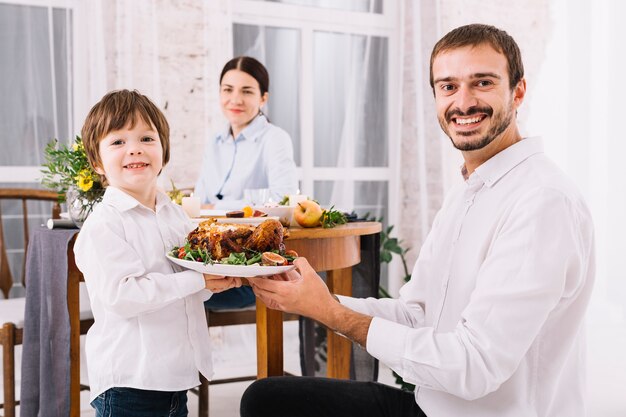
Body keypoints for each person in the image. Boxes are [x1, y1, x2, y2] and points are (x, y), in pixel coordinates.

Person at [242, 24, 595, 417]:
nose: (463, 102)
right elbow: (416, 314)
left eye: (482, 82)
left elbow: (474, 367)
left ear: (518, 91)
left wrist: (330, 313)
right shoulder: (470, 189)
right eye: (448, 86)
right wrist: (316, 299)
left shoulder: (542, 201)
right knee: (265, 399)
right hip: (431, 406)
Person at [74, 89, 243, 417]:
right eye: (118, 142)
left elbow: (185, 285)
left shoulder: (175, 215)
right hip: (129, 381)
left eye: (146, 138)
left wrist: (213, 282)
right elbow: (124, 295)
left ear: (164, 152)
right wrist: (197, 280)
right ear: (96, 162)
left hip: (173, 377)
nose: (134, 148)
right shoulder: (103, 225)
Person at [196, 56, 298, 310]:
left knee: (178, 293)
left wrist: (214, 209)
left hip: (249, 268)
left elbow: (282, 199)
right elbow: (199, 202)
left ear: (263, 98)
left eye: (247, 91)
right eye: (228, 90)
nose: (235, 99)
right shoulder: (215, 142)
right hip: (211, 256)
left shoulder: (274, 139)